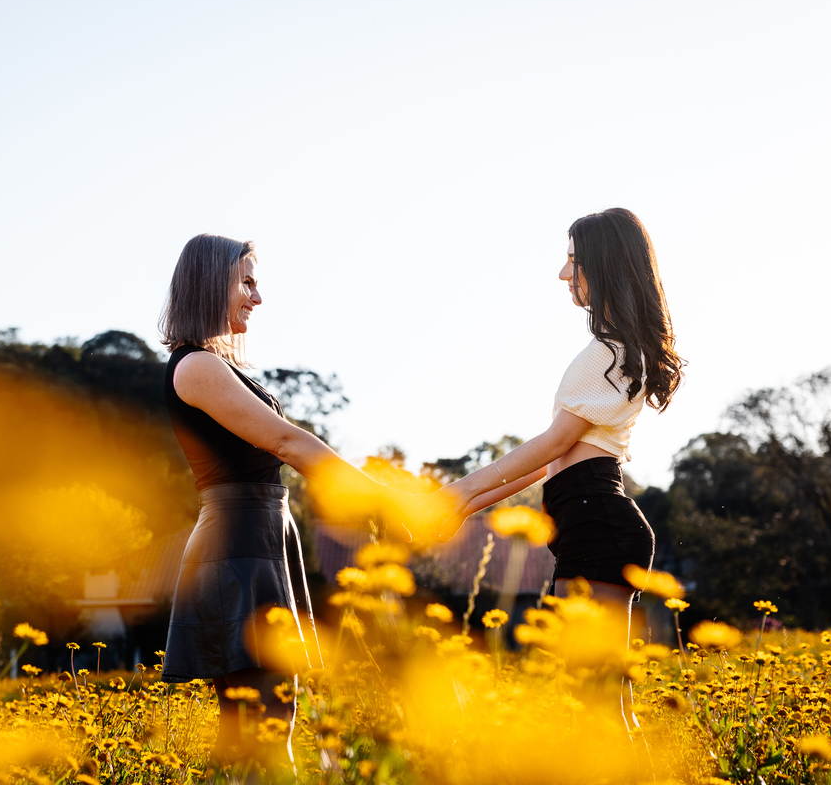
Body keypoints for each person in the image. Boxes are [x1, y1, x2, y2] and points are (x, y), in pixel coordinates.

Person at [429, 208, 685, 726]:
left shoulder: (608, 353)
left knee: (594, 705)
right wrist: (465, 504)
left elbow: (554, 443)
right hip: (589, 522)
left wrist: (457, 491)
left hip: (596, 525)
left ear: (604, 264)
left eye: (574, 260)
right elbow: (552, 463)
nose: (564, 274)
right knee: (602, 702)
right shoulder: (616, 352)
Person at [157, 233, 404, 766]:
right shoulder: (196, 366)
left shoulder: (214, 366)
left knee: (255, 733)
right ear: (209, 283)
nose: (257, 297)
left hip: (260, 539)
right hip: (239, 546)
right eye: (246, 282)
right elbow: (287, 441)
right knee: (266, 731)